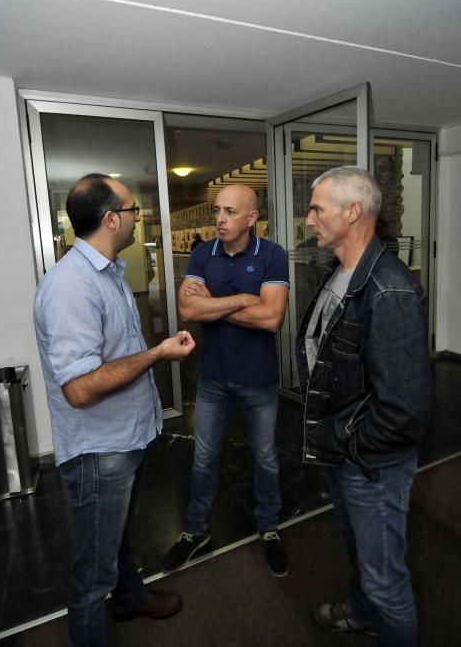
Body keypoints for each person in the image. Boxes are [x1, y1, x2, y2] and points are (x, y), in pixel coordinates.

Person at [33, 174, 196, 647]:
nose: (137, 218)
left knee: (119, 533)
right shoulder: (71, 287)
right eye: (133, 211)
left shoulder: (106, 272)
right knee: (92, 572)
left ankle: (129, 597)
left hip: (125, 439)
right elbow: (80, 389)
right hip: (98, 452)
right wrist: (157, 353)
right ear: (110, 219)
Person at [295, 166, 432, 646]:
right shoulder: (342, 272)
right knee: (361, 554)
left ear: (353, 212)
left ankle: (377, 612)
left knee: (385, 580)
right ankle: (363, 613)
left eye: (317, 208)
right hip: (346, 452)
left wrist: (347, 444)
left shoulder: (388, 289)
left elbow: (404, 410)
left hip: (370, 464)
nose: (308, 218)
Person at [162, 184, 290, 577]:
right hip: (214, 377)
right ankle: (196, 532)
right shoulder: (204, 253)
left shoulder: (272, 255)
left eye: (230, 212)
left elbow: (271, 319)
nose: (219, 218)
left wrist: (212, 305)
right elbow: (186, 310)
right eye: (217, 210)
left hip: (259, 379)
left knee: (266, 457)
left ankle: (268, 527)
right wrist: (242, 299)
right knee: (204, 458)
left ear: (252, 217)